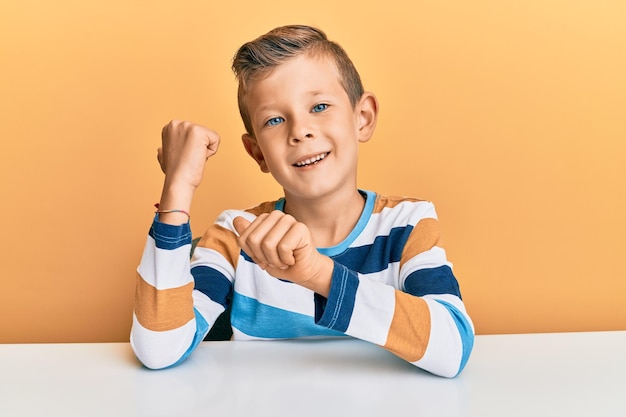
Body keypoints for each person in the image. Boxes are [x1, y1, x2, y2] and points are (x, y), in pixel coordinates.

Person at [131, 24, 474, 378]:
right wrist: (177, 186)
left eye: (320, 106)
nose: (300, 131)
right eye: (275, 120)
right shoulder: (236, 236)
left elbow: (453, 346)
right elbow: (159, 349)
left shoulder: (407, 224)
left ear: (363, 118)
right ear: (257, 153)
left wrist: (317, 274)